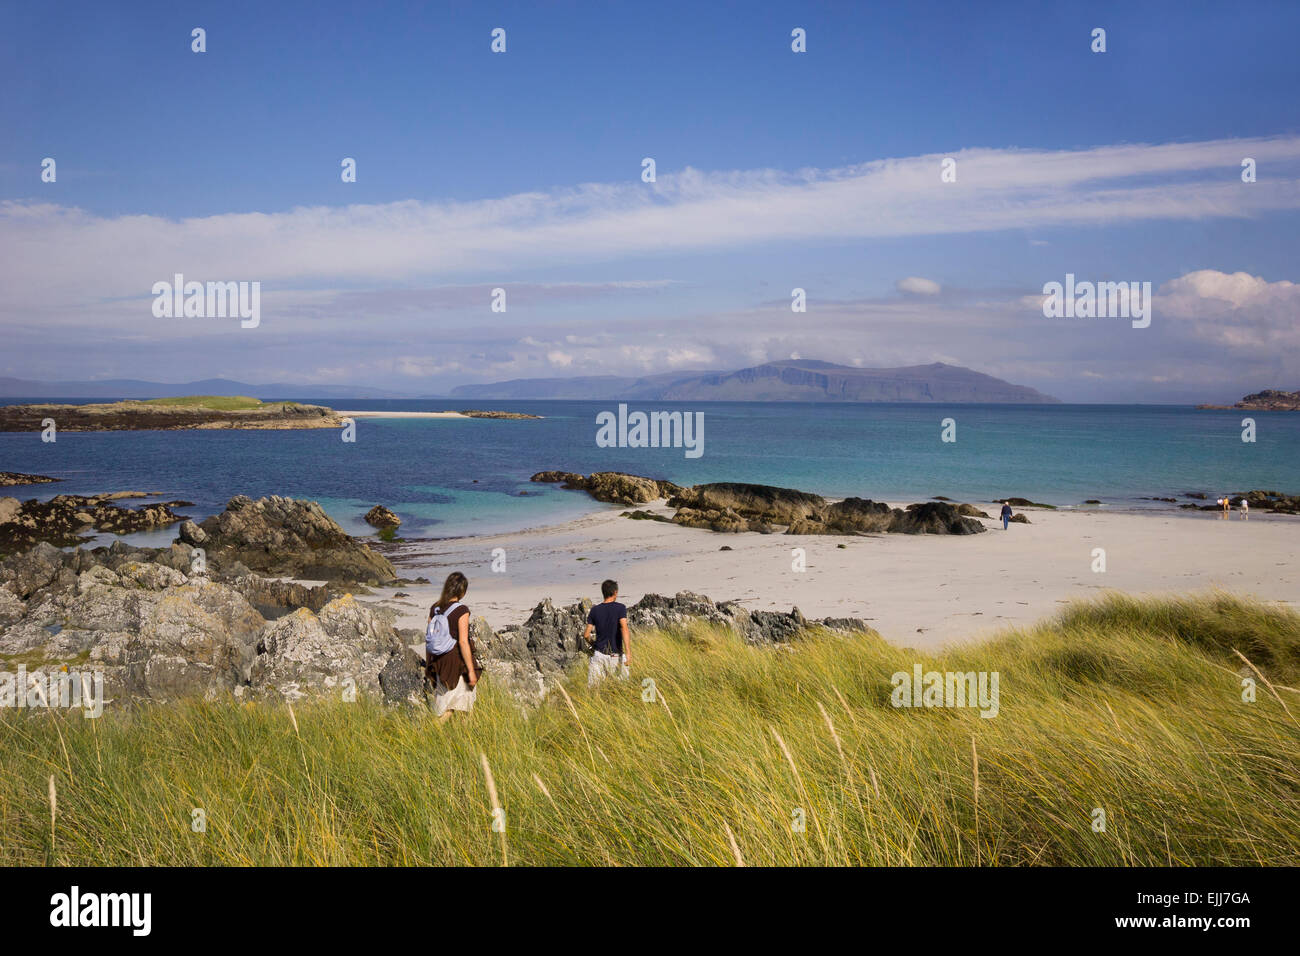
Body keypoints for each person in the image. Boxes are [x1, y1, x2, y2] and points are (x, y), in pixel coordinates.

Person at [424, 571, 480, 720]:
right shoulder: (462, 610)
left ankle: (446, 737)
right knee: (460, 704)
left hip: (438, 660)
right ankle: (435, 735)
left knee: (445, 703)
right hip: (456, 661)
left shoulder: (434, 608)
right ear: (462, 591)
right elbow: (463, 641)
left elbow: (430, 639)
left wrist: (429, 665)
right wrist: (471, 671)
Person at [584, 579, 629, 687]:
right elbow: (624, 628)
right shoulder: (620, 608)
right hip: (616, 655)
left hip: (599, 655)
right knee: (622, 689)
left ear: (603, 593)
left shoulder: (595, 610)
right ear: (615, 592)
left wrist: (593, 644)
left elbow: (586, 635)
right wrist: (628, 652)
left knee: (594, 690)